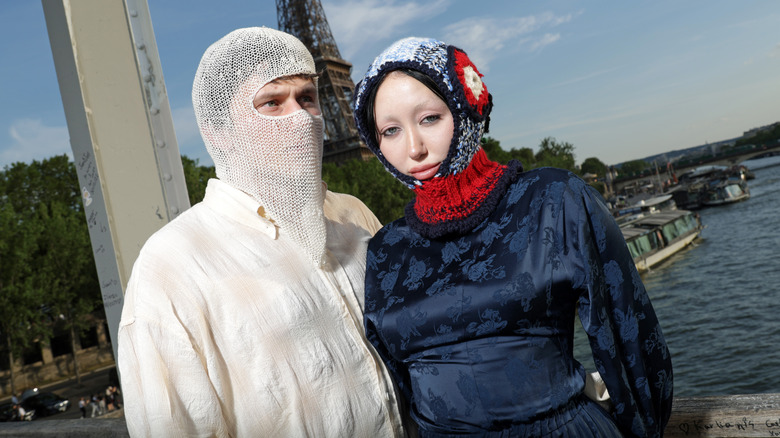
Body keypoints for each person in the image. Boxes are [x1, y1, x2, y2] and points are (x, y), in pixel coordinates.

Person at [353, 37, 674, 437]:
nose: (414, 148)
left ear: (466, 108)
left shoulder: (554, 199)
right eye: (390, 130)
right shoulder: (385, 249)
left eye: (430, 119)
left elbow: (632, 344)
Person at [118, 27, 405, 437]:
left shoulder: (354, 214)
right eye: (272, 102)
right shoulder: (171, 268)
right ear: (220, 130)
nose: (301, 117)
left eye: (307, 97)